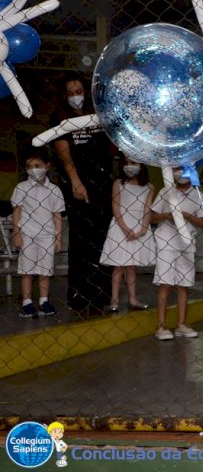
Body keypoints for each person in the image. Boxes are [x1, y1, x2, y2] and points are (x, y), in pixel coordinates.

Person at [51, 72, 115, 313]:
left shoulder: (96, 115)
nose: (76, 97)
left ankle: (101, 294)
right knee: (81, 240)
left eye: (79, 91)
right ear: (64, 96)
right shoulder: (60, 118)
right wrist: (76, 181)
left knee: (102, 238)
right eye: (70, 93)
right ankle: (79, 294)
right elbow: (64, 155)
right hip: (78, 183)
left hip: (103, 183)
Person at [150, 168, 203, 340]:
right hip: (166, 242)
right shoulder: (165, 191)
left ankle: (181, 324)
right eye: (176, 169)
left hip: (186, 244)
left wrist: (187, 216)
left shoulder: (197, 193)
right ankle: (161, 326)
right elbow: (152, 217)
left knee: (183, 285)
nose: (179, 173)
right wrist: (166, 215)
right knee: (165, 284)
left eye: (183, 169)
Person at [11, 149, 65, 318]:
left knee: (45, 270)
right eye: (29, 166)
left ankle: (43, 301)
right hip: (27, 234)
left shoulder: (54, 190)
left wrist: (58, 237)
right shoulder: (21, 187)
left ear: (47, 166)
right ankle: (27, 302)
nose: (33, 169)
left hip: (47, 235)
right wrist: (17, 233)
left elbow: (57, 215)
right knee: (26, 270)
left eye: (37, 165)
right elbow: (17, 212)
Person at [99, 156, 155, 312]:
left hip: (139, 226)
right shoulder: (119, 184)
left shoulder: (149, 187)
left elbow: (147, 208)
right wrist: (125, 228)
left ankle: (132, 299)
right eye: (127, 163)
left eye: (133, 163)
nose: (129, 166)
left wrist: (143, 227)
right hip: (121, 225)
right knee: (119, 265)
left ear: (141, 165)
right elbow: (116, 207)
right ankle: (114, 300)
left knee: (132, 266)